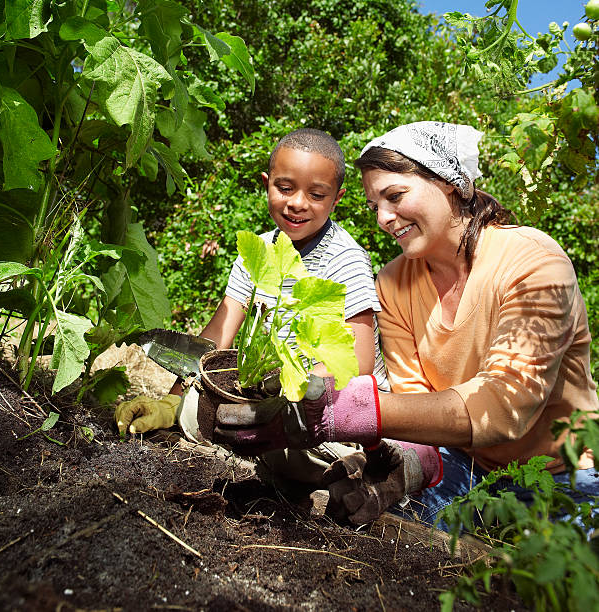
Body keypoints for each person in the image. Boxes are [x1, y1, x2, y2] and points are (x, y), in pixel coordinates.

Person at [211, 121, 599, 527]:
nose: (383, 218)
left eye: (394, 196)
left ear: (450, 183)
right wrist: (405, 464)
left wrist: (341, 412)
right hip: (462, 465)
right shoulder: (394, 283)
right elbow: (414, 398)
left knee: (567, 581)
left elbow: (503, 407)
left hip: (566, 473)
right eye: (374, 205)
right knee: (357, 518)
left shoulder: (534, 263)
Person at [115, 127, 389, 485]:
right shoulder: (256, 252)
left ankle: (351, 465)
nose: (297, 203)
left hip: (333, 406)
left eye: (316, 194)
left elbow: (356, 363)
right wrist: (172, 401)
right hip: (273, 398)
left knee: (291, 451)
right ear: (267, 184)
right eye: (285, 188)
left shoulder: (347, 258)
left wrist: (283, 393)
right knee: (196, 412)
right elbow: (217, 339)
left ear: (336, 199)